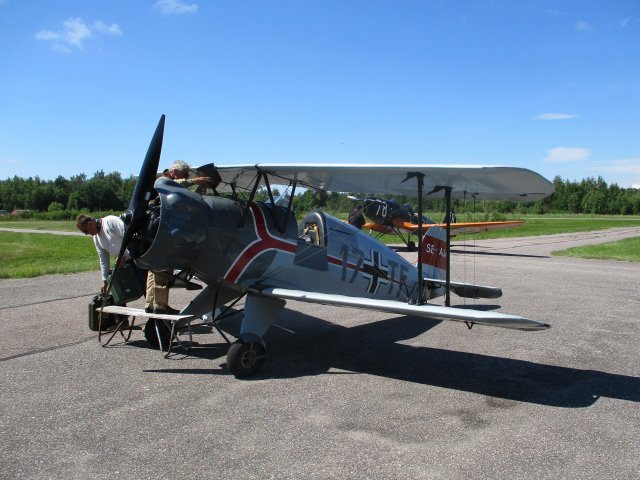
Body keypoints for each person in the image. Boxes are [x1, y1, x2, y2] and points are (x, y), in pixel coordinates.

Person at [76, 214, 177, 314]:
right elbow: (103, 259)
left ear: (90, 224)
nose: (86, 234)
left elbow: (130, 235)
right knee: (116, 289)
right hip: (123, 263)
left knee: (147, 287)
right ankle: (122, 320)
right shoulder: (96, 238)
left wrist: (125, 255)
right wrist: (104, 279)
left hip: (136, 258)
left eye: (85, 231)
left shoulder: (110, 221)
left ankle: (158, 312)